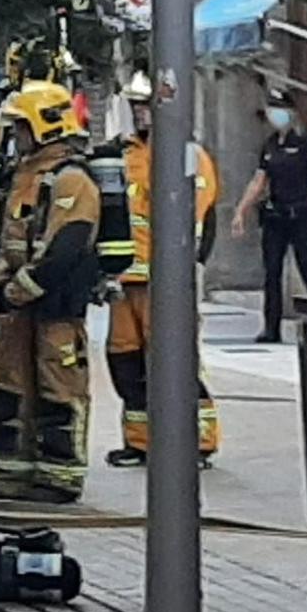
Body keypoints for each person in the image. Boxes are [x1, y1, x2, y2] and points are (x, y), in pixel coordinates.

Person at [0, 79, 100, 503]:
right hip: (19, 307)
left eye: (20, 127)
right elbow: (9, 239)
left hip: (54, 306)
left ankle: (60, 477)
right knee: (10, 384)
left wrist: (16, 290)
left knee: (58, 386)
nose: (16, 137)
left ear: (43, 126)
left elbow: (64, 247)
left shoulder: (71, 178)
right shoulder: (25, 175)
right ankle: (11, 470)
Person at [102, 72, 221, 468]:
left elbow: (195, 217)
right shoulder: (126, 153)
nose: (140, 113)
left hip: (165, 282)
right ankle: (140, 442)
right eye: (135, 106)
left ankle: (198, 442)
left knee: (173, 361)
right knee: (126, 363)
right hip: (124, 281)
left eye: (145, 105)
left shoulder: (187, 154)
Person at [231, 95, 307, 342]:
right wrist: (241, 210)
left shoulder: (305, 143)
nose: (275, 115)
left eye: (280, 110)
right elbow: (259, 181)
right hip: (276, 216)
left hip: (301, 215)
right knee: (272, 273)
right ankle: (271, 327)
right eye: (271, 110)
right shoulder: (270, 145)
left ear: (291, 112)